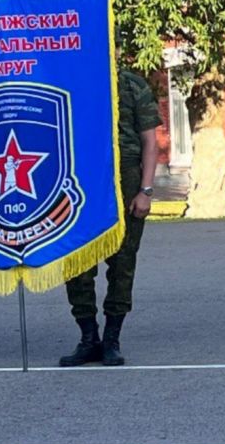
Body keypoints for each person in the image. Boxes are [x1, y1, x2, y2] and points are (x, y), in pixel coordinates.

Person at [60, 57, 161, 367]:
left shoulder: (131, 84)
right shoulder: (70, 81)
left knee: (122, 262)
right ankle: (88, 337)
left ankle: (112, 340)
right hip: (80, 178)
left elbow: (150, 142)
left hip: (125, 177)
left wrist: (145, 190)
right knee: (77, 261)